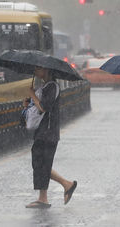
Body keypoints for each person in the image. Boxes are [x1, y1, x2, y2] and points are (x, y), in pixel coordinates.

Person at [24, 66, 76, 209]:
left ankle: (45, 197)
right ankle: (64, 186)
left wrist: (33, 95)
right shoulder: (45, 86)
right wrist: (29, 103)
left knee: (42, 164)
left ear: (46, 70)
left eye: (37, 68)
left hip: (48, 132)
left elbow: (44, 108)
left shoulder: (53, 87)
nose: (35, 70)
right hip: (42, 131)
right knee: (40, 164)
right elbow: (38, 107)